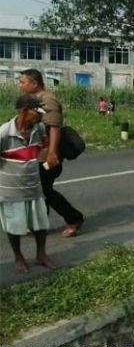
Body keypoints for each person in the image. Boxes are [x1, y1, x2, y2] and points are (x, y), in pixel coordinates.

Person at [19, 69, 85, 237]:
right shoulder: (32, 101)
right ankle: (39, 224)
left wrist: (53, 153)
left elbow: (54, 127)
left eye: (23, 82)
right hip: (36, 153)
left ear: (34, 83)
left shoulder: (47, 99)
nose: (20, 85)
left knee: (44, 190)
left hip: (47, 153)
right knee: (40, 189)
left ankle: (74, 218)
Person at [1, 96, 57, 273]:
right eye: (37, 112)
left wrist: (48, 156)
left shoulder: (39, 129)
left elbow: (42, 150)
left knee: (41, 224)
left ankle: (41, 254)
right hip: (11, 190)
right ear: (23, 111)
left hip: (34, 186)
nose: (41, 116)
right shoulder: (3, 133)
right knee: (15, 226)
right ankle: (18, 257)